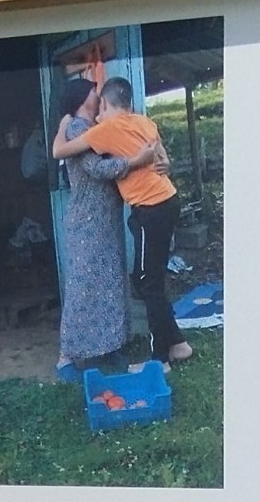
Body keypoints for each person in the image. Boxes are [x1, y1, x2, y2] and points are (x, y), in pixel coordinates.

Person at [52, 76, 192, 372]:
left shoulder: (104, 128)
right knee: (94, 285)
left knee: (125, 283)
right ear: (86, 99)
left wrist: (158, 161)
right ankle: (70, 354)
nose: (96, 95)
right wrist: (137, 161)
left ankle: (126, 350)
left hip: (127, 213)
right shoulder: (93, 127)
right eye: (92, 91)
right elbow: (92, 166)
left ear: (105, 102)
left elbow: (157, 154)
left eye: (99, 93)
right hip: (94, 219)